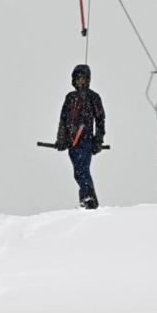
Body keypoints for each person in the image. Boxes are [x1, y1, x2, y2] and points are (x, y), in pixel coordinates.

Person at [55, 64, 107, 210]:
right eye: (77, 78)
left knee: (82, 171)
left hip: (85, 142)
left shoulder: (93, 97)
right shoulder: (70, 97)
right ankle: (89, 200)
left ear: (88, 79)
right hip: (72, 143)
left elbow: (100, 120)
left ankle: (88, 199)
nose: (80, 81)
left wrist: (98, 140)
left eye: (83, 78)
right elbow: (63, 120)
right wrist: (61, 139)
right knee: (78, 173)